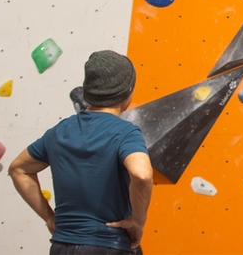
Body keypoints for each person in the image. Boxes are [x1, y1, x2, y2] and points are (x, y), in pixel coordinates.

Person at [8, 50, 153, 254]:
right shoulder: (125, 133)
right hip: (110, 246)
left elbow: (18, 169)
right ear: (127, 92)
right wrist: (138, 221)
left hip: (62, 246)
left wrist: (50, 218)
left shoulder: (60, 131)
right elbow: (142, 173)